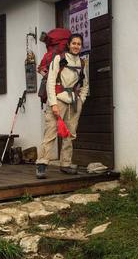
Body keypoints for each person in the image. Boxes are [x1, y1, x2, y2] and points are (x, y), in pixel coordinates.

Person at [36, 33, 89, 179]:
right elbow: (51, 82)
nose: (76, 46)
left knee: (70, 134)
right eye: (74, 43)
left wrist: (81, 100)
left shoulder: (82, 63)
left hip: (74, 102)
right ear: (68, 44)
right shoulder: (59, 59)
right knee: (51, 132)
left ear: (81, 46)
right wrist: (53, 104)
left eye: (79, 44)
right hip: (58, 100)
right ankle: (42, 164)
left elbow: (85, 85)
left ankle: (65, 164)